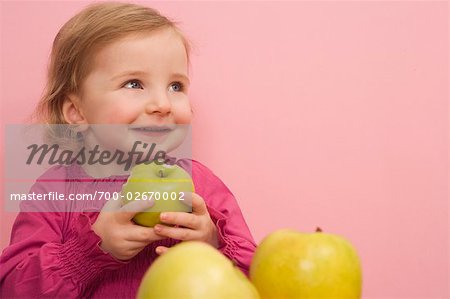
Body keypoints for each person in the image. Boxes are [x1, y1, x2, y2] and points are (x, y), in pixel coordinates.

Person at [0, 2, 256, 298]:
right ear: (77, 112)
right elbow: (13, 289)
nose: (162, 104)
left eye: (176, 86)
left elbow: (258, 275)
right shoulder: (54, 192)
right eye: (134, 83)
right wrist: (88, 251)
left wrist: (212, 243)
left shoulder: (200, 185)